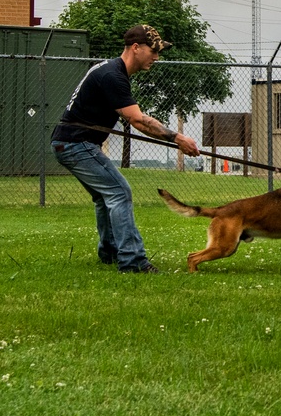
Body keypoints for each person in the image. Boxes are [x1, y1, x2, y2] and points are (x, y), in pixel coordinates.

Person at [51, 24, 200, 273]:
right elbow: (138, 120)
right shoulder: (113, 75)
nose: (156, 57)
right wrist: (178, 139)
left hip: (70, 142)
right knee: (119, 192)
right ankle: (133, 261)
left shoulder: (111, 70)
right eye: (153, 50)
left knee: (105, 196)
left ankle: (109, 252)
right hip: (76, 143)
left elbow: (135, 116)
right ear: (135, 48)